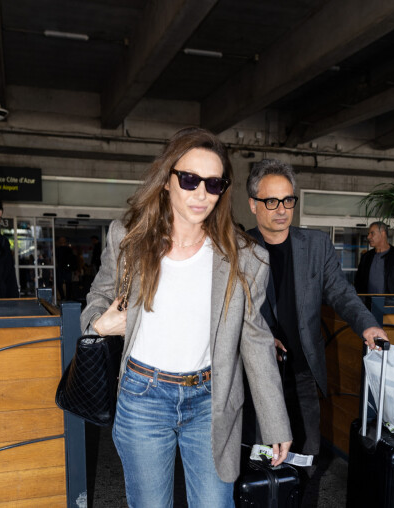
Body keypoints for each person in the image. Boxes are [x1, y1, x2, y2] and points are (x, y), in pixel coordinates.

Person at [80, 128, 292, 508]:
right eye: (190, 179)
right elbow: (97, 296)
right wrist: (100, 325)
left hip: (211, 402)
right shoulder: (129, 239)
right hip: (142, 397)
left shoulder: (246, 257)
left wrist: (275, 422)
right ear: (166, 180)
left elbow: (256, 340)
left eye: (213, 184)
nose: (201, 193)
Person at [245, 159, 388, 484]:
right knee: (260, 465)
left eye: (288, 200)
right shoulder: (238, 247)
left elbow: (341, 292)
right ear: (253, 204)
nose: (281, 209)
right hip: (257, 378)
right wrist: (264, 338)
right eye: (271, 201)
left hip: (304, 374)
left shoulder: (316, 245)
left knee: (305, 459)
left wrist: (367, 324)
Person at [354, 221, 394, 295]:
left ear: (383, 233)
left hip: (391, 304)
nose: (368, 237)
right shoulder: (366, 257)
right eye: (368, 234)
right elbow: (358, 282)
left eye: (372, 233)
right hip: (367, 304)